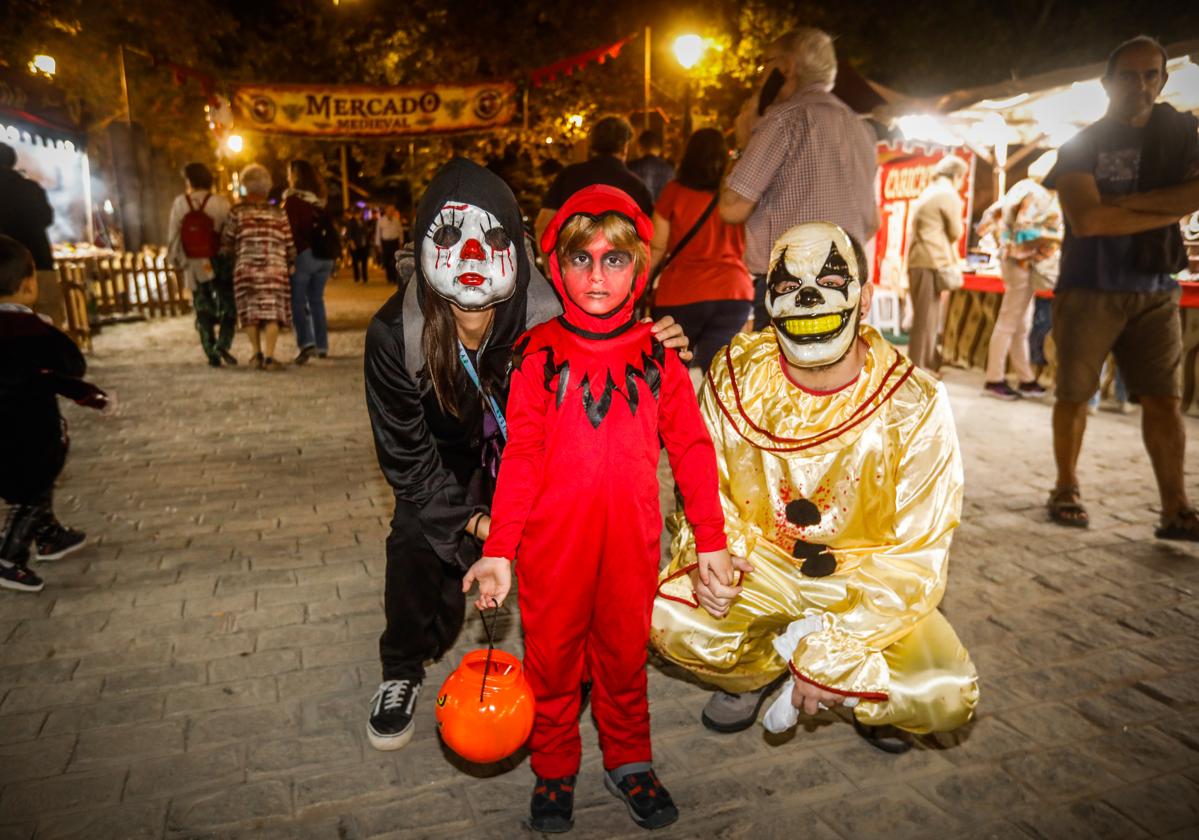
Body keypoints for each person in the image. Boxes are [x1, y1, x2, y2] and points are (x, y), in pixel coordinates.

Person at [361, 159, 690, 761]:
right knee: (412, 539)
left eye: (489, 240)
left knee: (569, 558)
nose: (469, 257)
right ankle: (402, 665)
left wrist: (655, 338)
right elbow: (405, 458)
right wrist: (484, 528)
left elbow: (612, 330)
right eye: (448, 238)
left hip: (529, 456)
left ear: (515, 246)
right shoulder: (395, 333)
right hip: (441, 462)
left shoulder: (550, 312)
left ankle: (572, 674)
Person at [652, 222, 978, 754]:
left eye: (830, 280)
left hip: (870, 582)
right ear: (767, 300)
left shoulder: (916, 402)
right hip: (764, 568)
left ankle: (854, 688)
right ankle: (760, 670)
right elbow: (707, 493)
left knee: (944, 694)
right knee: (671, 619)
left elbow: (919, 553)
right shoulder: (735, 374)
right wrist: (716, 556)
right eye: (786, 287)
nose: (808, 299)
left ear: (864, 298)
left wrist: (835, 653)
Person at [463, 185, 728, 833]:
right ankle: (553, 767)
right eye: (582, 259)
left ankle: (629, 758)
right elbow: (521, 455)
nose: (597, 276)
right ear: (557, 266)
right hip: (552, 552)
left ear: (638, 267)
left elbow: (691, 448)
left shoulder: (659, 353)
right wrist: (498, 552)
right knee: (551, 663)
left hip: (631, 548)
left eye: (614, 260)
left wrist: (711, 541)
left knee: (622, 658)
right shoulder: (535, 353)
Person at [1043, 35, 1199, 539]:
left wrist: (1125, 206)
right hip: (1090, 286)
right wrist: (1166, 204)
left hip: (1155, 287)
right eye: (1130, 74)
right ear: (1108, 81)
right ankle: (1065, 487)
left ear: (1162, 79)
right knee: (1075, 393)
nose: (1142, 84)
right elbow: (1086, 220)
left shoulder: (1179, 137)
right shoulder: (1080, 146)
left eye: (1152, 74)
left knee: (1164, 399)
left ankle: (1175, 507)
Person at [719, 28, 879, 330]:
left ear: (785, 68)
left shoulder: (783, 120)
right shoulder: (862, 129)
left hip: (788, 287)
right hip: (844, 287)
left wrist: (741, 143)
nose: (760, 76)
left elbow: (731, 207)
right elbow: (871, 223)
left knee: (784, 376)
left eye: (764, 66)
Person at [1, 236, 108, 592]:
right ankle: (8, 556)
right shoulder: (32, 329)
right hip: (30, 426)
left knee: (27, 481)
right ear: (28, 284)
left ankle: (49, 535)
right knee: (36, 483)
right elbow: (72, 365)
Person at [649, 128, 753, 372]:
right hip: (733, 292)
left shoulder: (673, 192)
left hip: (681, 293)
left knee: (672, 370)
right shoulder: (735, 196)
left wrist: (638, 284)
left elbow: (656, 247)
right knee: (721, 371)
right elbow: (749, 248)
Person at [981, 154, 1062, 399]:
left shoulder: (1021, 188)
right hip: (1021, 261)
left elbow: (990, 217)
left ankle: (1025, 377)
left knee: (1021, 323)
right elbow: (1025, 231)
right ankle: (994, 378)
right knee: (1009, 321)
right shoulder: (1037, 194)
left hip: (1014, 259)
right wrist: (1058, 239)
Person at [534, 115, 654, 248]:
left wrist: (550, 267)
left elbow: (542, 225)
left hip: (573, 261)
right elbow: (648, 237)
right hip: (620, 264)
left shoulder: (569, 176)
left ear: (593, 144)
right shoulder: (636, 186)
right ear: (625, 146)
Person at [222, 164, 295, 371]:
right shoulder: (278, 213)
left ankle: (256, 354)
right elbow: (289, 242)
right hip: (275, 268)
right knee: (273, 311)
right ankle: (270, 357)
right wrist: (290, 262)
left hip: (246, 269)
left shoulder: (237, 212)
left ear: (246, 186)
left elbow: (226, 242)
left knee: (250, 311)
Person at [167, 162, 236, 368]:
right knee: (228, 305)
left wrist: (175, 260)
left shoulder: (180, 203)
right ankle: (223, 343)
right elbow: (229, 234)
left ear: (190, 180)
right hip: (218, 261)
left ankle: (210, 350)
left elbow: (174, 235)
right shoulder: (221, 202)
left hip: (193, 262)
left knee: (202, 306)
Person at [904, 155, 968, 374]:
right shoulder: (947, 194)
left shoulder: (930, 190)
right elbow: (956, 232)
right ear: (958, 175)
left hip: (920, 259)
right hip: (930, 259)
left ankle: (927, 362)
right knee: (925, 318)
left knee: (927, 316)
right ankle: (917, 368)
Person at [0, 142, 66, 328]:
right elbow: (47, 218)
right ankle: (52, 354)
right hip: (39, 261)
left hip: (5, 269)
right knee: (49, 318)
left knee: (8, 325)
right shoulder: (30, 187)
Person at [284, 159, 335, 364]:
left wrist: (290, 257)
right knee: (316, 300)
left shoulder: (292, 201)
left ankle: (306, 343)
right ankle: (322, 346)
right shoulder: (319, 201)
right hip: (325, 257)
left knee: (297, 301)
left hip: (304, 255)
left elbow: (291, 231)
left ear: (294, 175)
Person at [628, 129, 675, 202]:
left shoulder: (631, 167)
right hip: (660, 212)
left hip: (637, 211)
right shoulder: (670, 171)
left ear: (640, 147)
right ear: (659, 149)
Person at [375, 206, 404, 285]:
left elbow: (400, 232)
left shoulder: (396, 220)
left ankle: (394, 277)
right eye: (389, 211)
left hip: (394, 242)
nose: (391, 212)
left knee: (395, 261)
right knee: (387, 261)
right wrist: (379, 245)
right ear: (386, 211)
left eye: (392, 211)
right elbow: (378, 233)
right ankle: (389, 277)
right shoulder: (381, 220)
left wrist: (401, 242)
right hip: (385, 243)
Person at [346, 210, 372, 284]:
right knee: (355, 263)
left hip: (364, 245)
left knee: (364, 262)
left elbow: (366, 232)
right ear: (355, 214)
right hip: (355, 245)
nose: (359, 215)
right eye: (358, 213)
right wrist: (351, 243)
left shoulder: (363, 222)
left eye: (360, 213)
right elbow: (349, 234)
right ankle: (357, 278)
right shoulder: (351, 222)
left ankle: (365, 278)